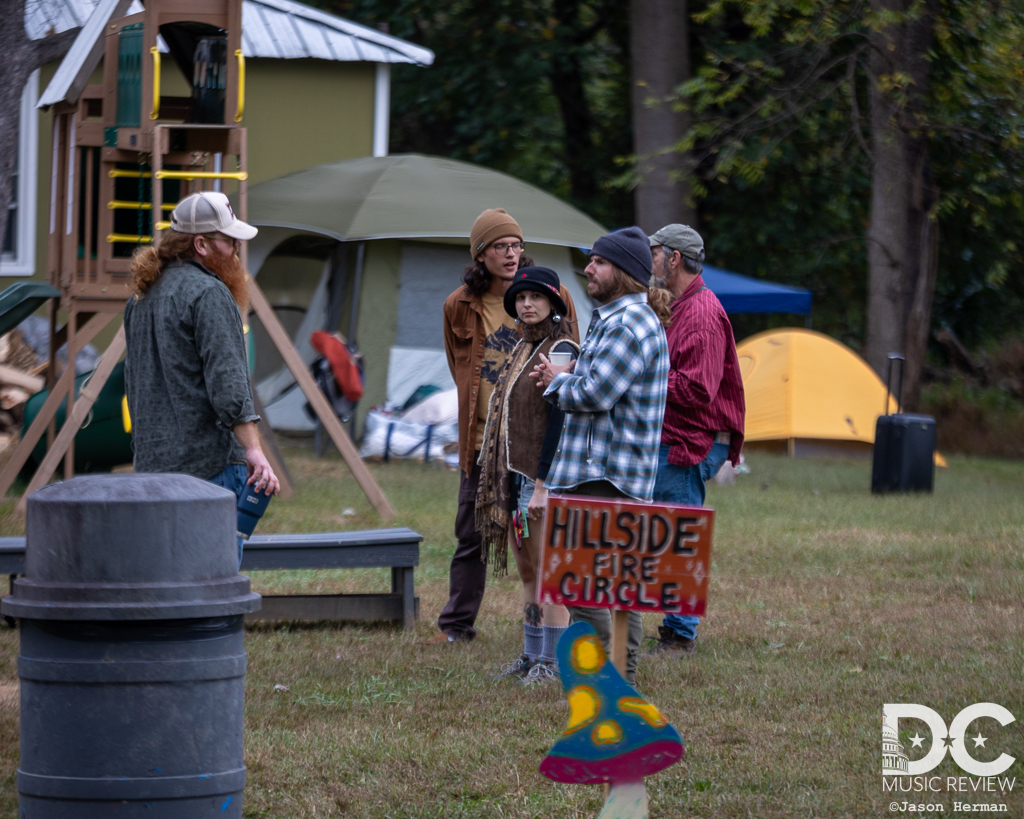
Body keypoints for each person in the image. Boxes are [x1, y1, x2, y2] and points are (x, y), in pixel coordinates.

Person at [431, 210, 578, 644]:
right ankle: (457, 626)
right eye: (500, 247)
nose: (511, 254)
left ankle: (552, 637)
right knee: (472, 531)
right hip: (481, 440)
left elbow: (568, 360)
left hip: (532, 441)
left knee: (538, 543)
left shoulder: (551, 291)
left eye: (516, 246)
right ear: (481, 255)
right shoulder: (458, 304)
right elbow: (459, 371)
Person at [531, 226, 670, 684]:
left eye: (599, 262)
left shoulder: (629, 323)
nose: (588, 268)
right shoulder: (617, 318)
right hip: (606, 471)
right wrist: (572, 371)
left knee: (584, 583)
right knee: (617, 587)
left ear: (625, 272)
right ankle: (617, 679)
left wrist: (556, 380)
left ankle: (605, 680)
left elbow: (596, 393)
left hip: (605, 474)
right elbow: (596, 379)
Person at [124, 191, 280, 562]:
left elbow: (135, 385)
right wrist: (254, 450)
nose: (237, 249)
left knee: (164, 584)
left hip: (150, 472)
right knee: (211, 586)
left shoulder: (140, 298)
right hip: (208, 472)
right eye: (229, 240)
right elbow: (229, 388)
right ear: (201, 244)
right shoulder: (209, 293)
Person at [475, 267, 580, 683]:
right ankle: (531, 656)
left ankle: (553, 664)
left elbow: (559, 420)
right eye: (520, 298)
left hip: (542, 478)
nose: (527, 304)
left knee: (549, 570)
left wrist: (542, 484)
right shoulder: (522, 347)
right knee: (528, 571)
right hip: (515, 476)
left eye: (536, 297)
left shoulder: (561, 348)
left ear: (554, 303)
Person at [645, 224, 745, 655]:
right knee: (670, 529)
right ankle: (676, 625)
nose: (649, 264)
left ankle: (680, 633)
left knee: (678, 531)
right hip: (681, 434)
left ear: (673, 259)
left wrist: (642, 376)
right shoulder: (681, 306)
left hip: (691, 438)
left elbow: (697, 389)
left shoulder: (701, 314)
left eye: (654, 254)